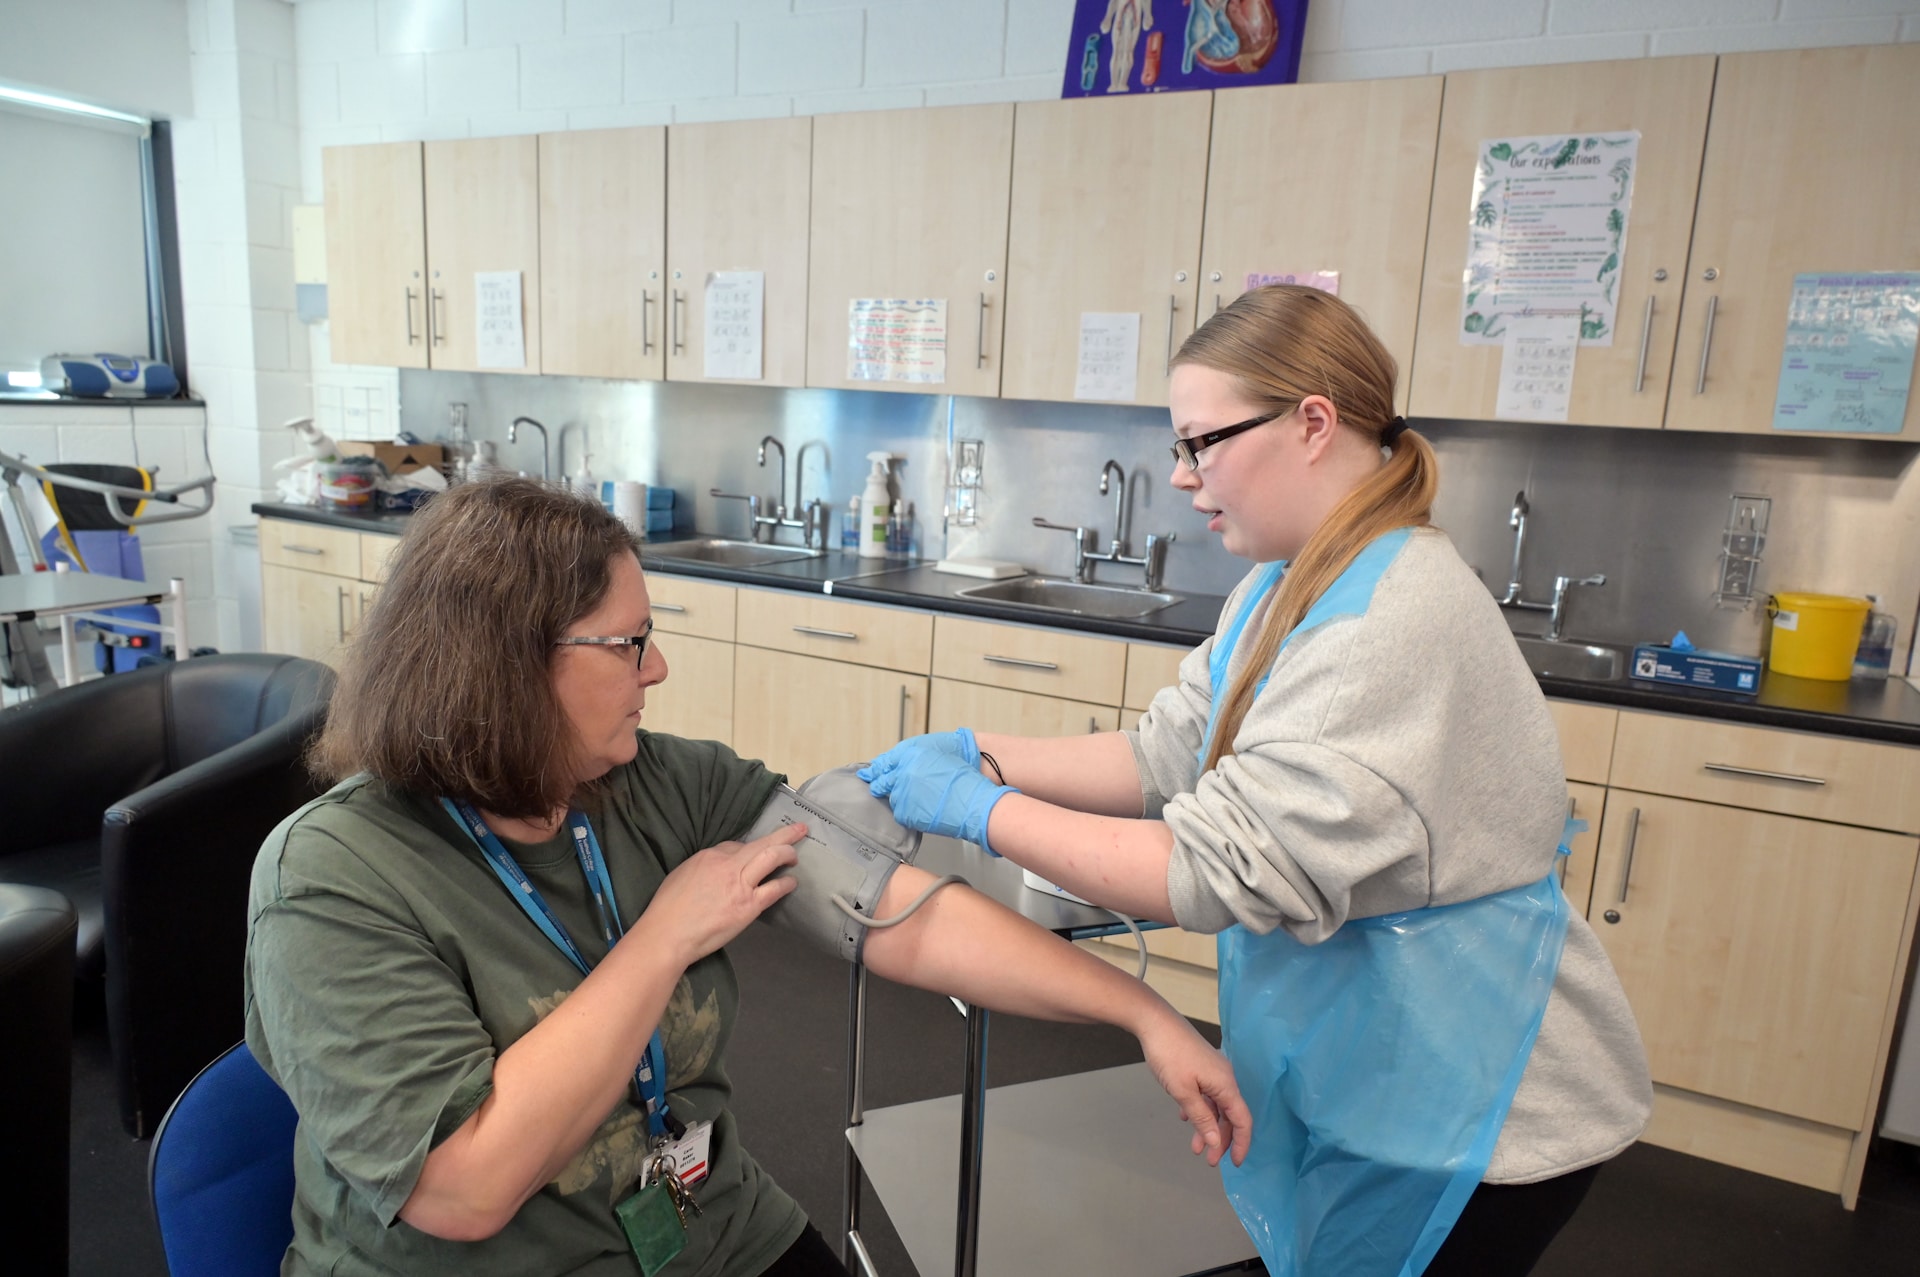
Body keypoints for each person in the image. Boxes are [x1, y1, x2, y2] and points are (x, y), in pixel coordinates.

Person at [243, 478, 1250, 1277]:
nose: (659, 668)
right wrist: (668, 932)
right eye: (630, 642)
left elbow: (893, 913)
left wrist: (1141, 1013)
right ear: (508, 662)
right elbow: (463, 1190)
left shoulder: (656, 782)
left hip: (692, 1217)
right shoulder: (332, 876)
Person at [861, 285, 1653, 1277]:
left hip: (1478, 1102)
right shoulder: (1289, 582)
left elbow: (1202, 871)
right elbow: (1168, 751)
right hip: (1386, 1061)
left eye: (1202, 442)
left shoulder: (1385, 624)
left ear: (1312, 422)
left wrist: (984, 808)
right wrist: (981, 749)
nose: (1184, 475)